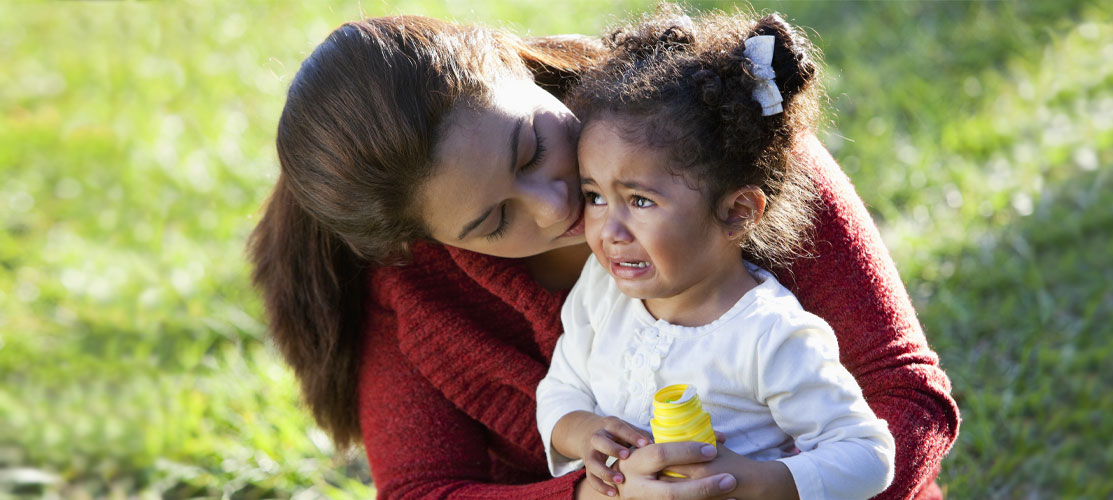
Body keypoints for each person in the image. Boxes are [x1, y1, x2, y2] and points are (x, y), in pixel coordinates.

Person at [248, 7, 959, 500]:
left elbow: (904, 394)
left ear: (513, 64)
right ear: (425, 243)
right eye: (495, 220)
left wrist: (779, 488)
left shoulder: (717, 131)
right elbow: (419, 489)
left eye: (530, 148)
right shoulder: (414, 289)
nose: (556, 207)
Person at [536, 11, 894, 500]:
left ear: (737, 211)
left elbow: (868, 455)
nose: (608, 231)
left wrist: (760, 482)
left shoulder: (769, 336)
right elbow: (560, 389)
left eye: (640, 200)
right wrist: (583, 433)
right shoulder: (602, 291)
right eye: (595, 195)